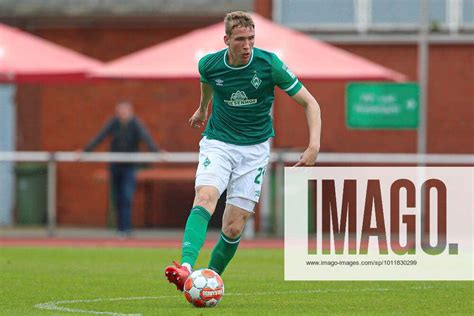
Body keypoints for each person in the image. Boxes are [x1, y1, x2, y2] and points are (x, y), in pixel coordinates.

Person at [164, 11, 321, 290]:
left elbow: (311, 103)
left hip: (254, 150)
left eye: (251, 38)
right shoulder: (209, 64)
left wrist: (313, 146)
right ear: (226, 40)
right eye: (240, 39)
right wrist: (203, 109)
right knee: (205, 196)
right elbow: (208, 82)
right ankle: (186, 267)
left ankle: (207, 280)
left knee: (234, 226)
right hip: (219, 142)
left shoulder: (269, 64)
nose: (247, 45)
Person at [82, 101, 159, 237]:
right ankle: (120, 228)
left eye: (125, 111)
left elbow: (146, 137)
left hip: (129, 166)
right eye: (120, 111)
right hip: (115, 165)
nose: (122, 114)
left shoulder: (136, 124)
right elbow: (100, 136)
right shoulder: (113, 123)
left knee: (127, 196)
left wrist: (156, 152)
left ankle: (127, 228)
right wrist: (85, 151)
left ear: (130, 112)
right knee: (116, 197)